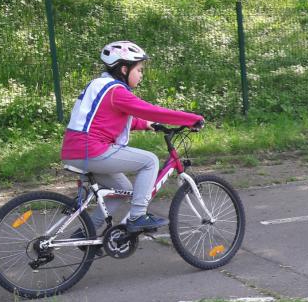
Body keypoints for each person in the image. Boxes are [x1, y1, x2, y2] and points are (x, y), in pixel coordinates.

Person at [61, 41, 205, 234]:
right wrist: (191, 119)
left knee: (121, 189)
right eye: (139, 70)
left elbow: (107, 119)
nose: (141, 75)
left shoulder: (99, 85)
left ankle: (88, 233)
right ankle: (137, 216)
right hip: (91, 150)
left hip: (75, 150)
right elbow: (150, 110)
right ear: (124, 69)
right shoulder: (116, 91)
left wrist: (146, 124)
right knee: (150, 161)